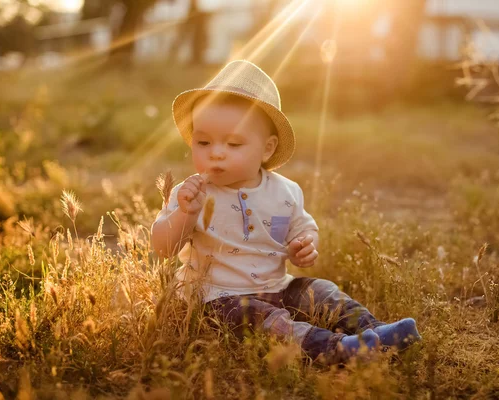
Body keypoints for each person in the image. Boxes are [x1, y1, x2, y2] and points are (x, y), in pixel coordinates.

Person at [151, 60, 420, 364]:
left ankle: (376, 332)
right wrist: (185, 214)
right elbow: (163, 248)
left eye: (234, 143)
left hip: (277, 286)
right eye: (203, 141)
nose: (216, 152)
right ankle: (337, 349)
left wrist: (305, 244)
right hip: (218, 300)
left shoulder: (285, 192)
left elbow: (304, 228)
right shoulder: (192, 194)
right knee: (264, 321)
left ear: (267, 149)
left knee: (322, 291)